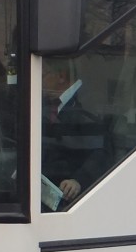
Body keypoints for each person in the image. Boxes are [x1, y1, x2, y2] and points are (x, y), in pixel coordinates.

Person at [41, 59, 110, 210]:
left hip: (71, 196)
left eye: (43, 75)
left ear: (61, 76)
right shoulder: (47, 104)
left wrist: (78, 181)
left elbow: (100, 151)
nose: (39, 82)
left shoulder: (87, 101)